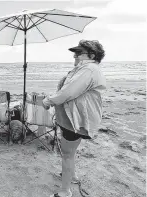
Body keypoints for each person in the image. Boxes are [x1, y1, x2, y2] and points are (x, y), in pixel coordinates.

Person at [42, 40, 106, 197]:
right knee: (71, 151)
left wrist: (48, 100)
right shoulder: (86, 69)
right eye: (74, 53)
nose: (75, 56)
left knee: (67, 154)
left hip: (75, 121)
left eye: (79, 53)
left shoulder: (89, 69)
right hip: (74, 119)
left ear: (92, 55)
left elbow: (68, 92)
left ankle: (65, 191)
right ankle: (73, 176)